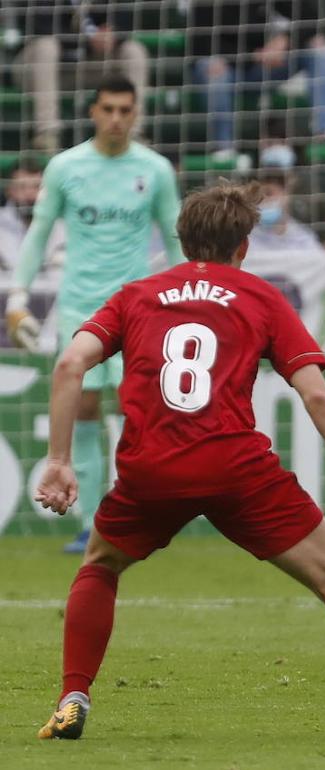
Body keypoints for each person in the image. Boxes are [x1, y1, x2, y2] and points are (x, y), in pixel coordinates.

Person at [31, 181, 325, 742]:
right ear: (244, 246)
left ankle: (72, 700)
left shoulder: (136, 294)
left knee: (99, 567)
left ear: (180, 238)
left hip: (152, 468)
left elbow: (70, 365)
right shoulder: (261, 297)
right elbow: (316, 394)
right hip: (234, 468)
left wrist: (58, 460)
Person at [6, 75, 183, 554]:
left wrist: (192, 295)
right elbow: (40, 233)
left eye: (126, 110)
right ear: (92, 111)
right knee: (82, 406)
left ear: (136, 112)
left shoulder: (155, 170)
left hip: (137, 309)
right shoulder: (66, 167)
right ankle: (89, 520)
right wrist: (17, 295)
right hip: (81, 307)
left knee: (134, 409)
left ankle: (130, 514)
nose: (117, 119)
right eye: (108, 109)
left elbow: (174, 239)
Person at [187, 0, 325, 163]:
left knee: (315, 52)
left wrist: (285, 41)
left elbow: (312, 16)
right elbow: (199, 43)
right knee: (212, 66)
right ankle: (224, 149)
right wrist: (254, 56)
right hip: (227, 68)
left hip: (259, 68)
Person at [11, 1, 148, 154]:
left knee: (134, 51)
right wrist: (88, 40)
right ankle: (47, 133)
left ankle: (134, 133)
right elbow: (40, 27)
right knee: (46, 46)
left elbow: (127, 19)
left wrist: (112, 34)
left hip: (84, 68)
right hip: (35, 70)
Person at [0, 157, 66, 272]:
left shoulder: (63, 225)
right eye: (22, 187)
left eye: (36, 186)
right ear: (9, 190)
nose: (29, 194)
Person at [247, 169, 325, 253]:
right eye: (257, 196)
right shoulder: (245, 241)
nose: (263, 201)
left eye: (268, 193)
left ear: (286, 195)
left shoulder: (304, 240)